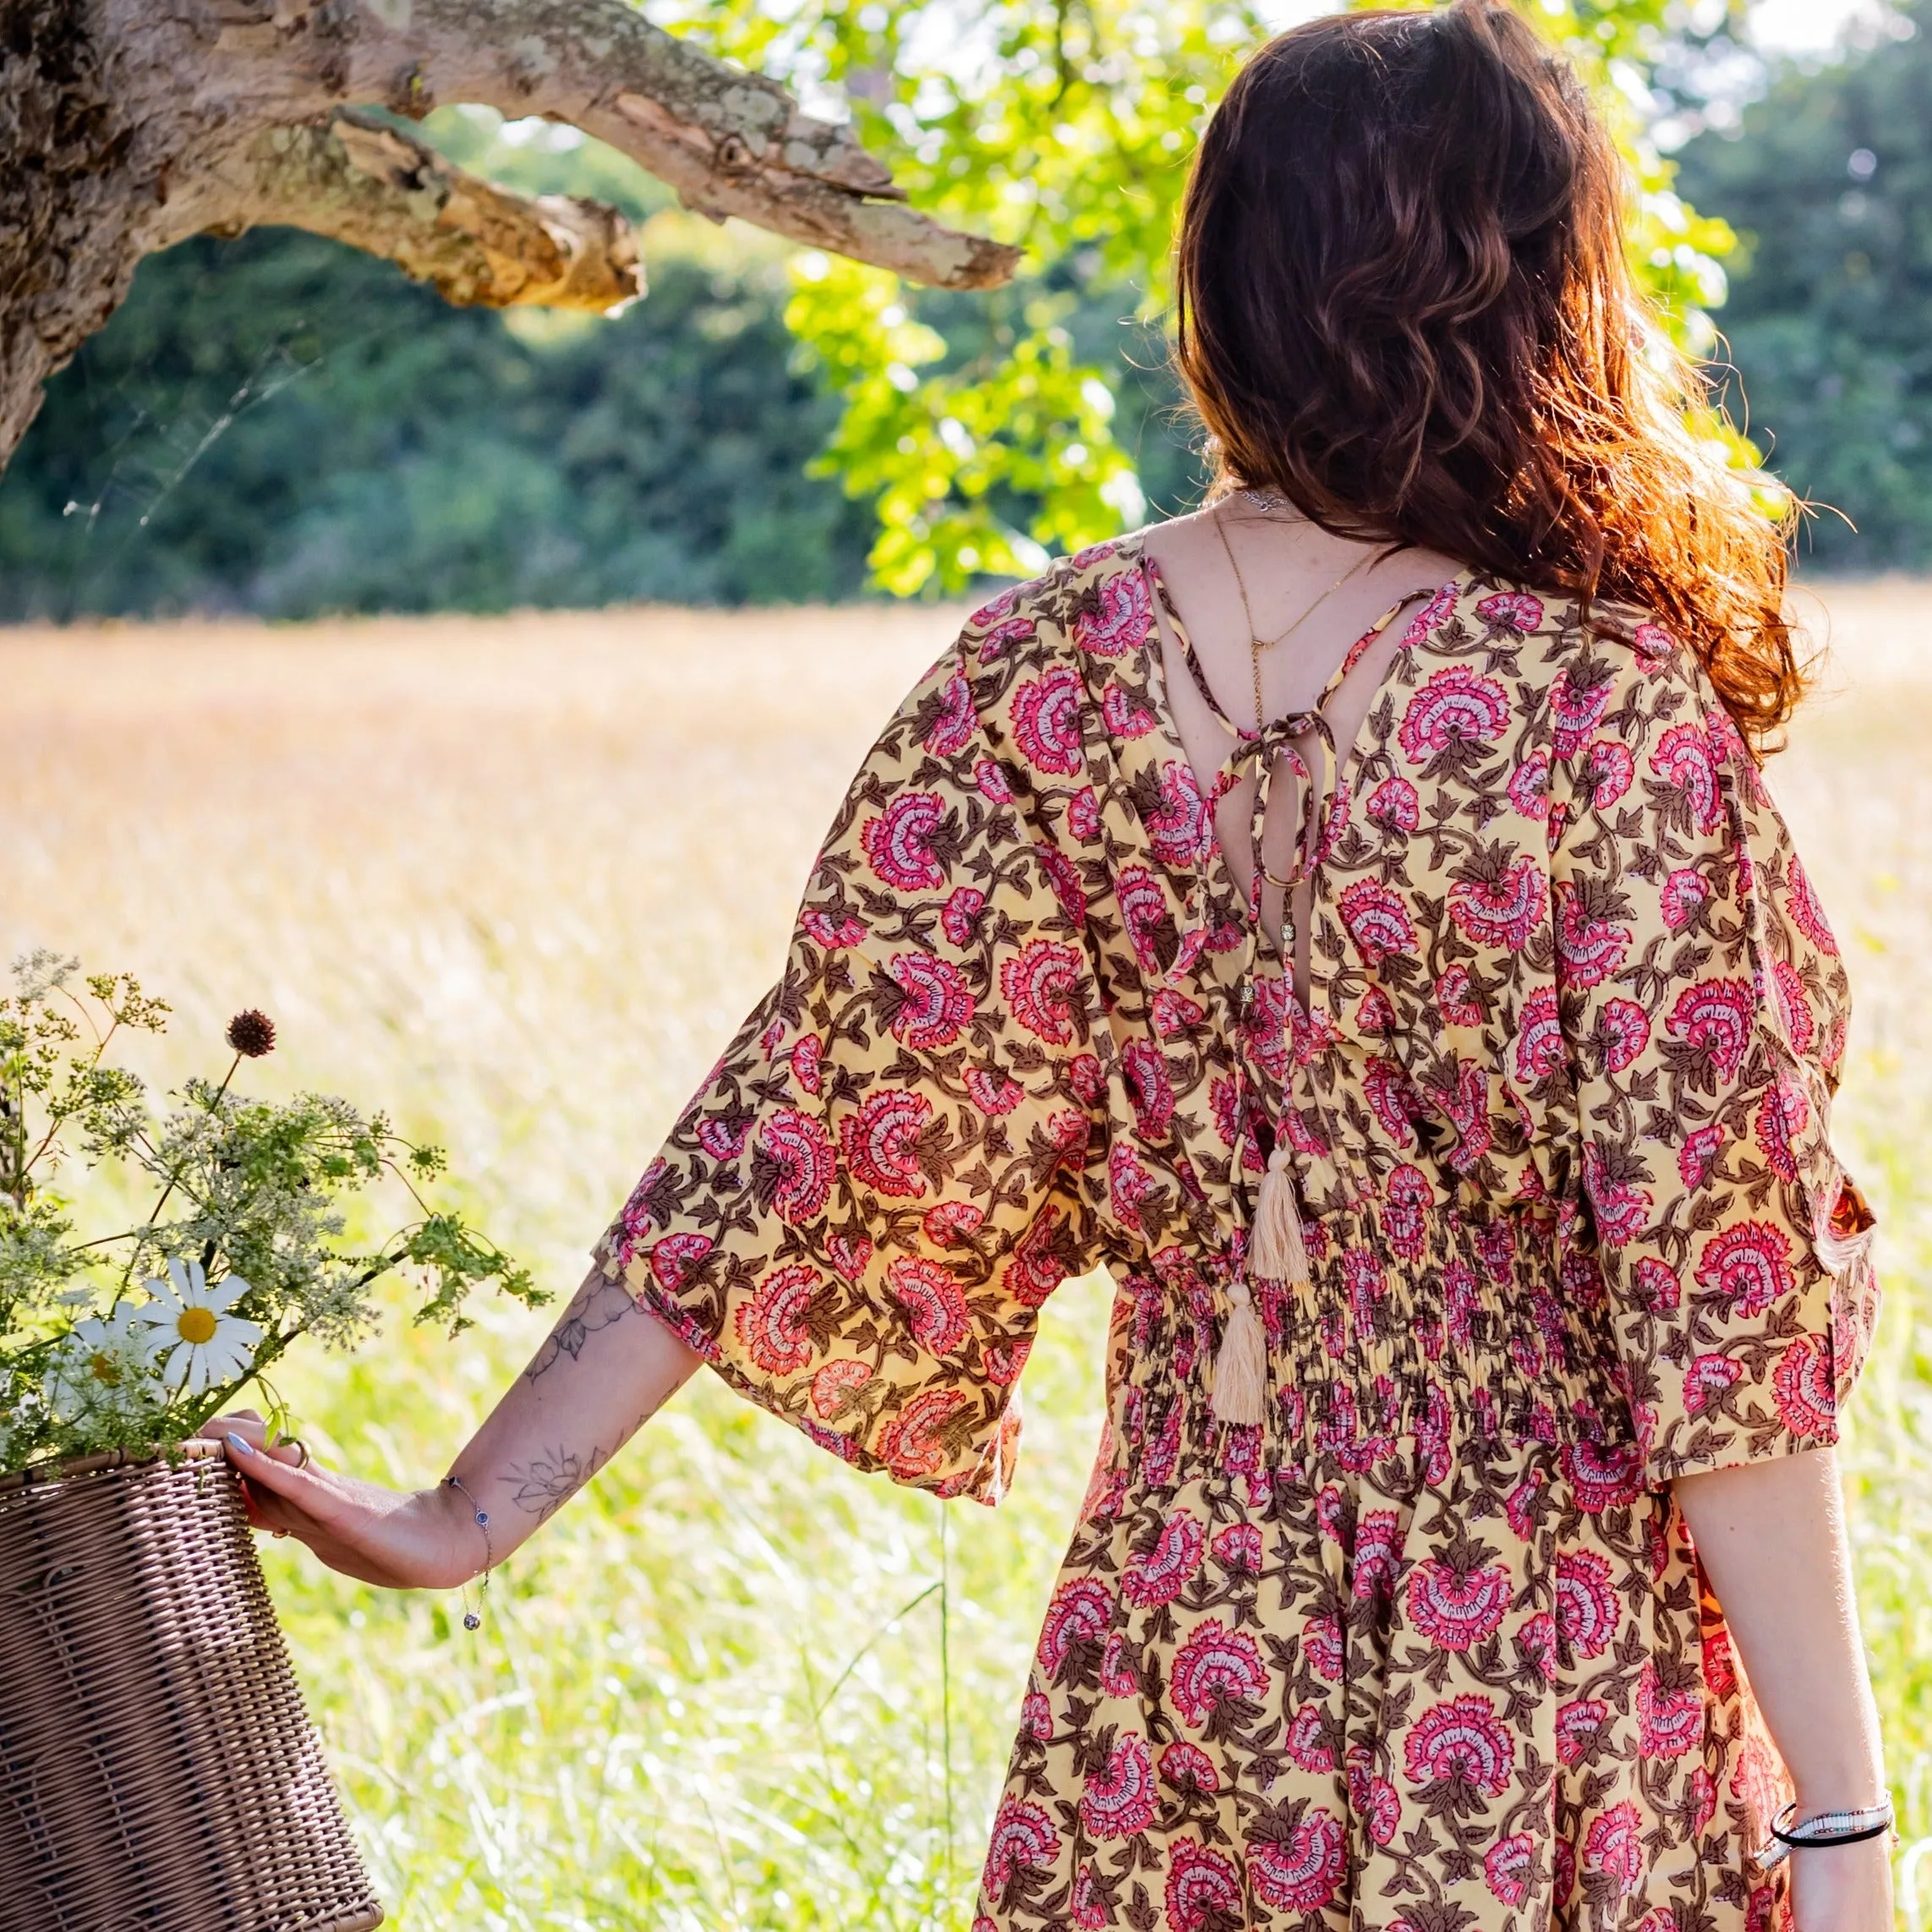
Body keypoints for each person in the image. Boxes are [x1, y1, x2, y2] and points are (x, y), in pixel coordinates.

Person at [209, 5, 1892, 1927]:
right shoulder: (1599, 717)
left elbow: (811, 1123)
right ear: (1535, 286)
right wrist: (1837, 1829)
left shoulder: (1040, 680)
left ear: (1229, 285)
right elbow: (1719, 1320)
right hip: (1549, 1675)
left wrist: (469, 1512)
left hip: (1173, 1677)